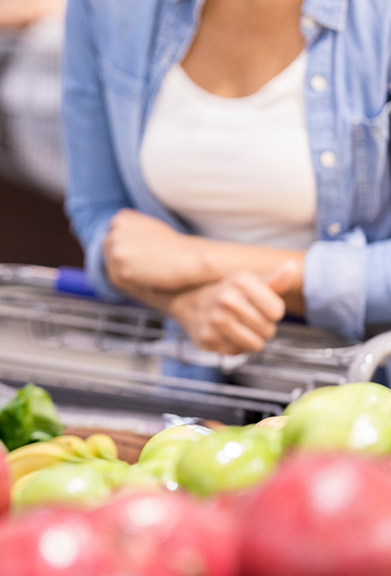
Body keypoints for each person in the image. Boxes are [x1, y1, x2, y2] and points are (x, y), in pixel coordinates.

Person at [62, 0, 391, 356]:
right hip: (198, 383)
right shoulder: (109, 9)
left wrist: (200, 260)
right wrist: (187, 306)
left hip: (368, 388)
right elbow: (100, 214)